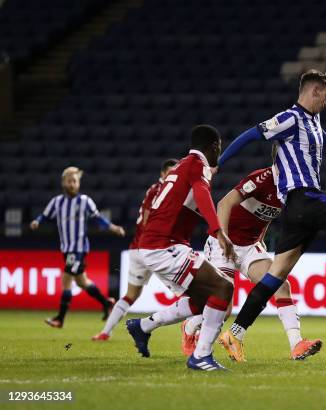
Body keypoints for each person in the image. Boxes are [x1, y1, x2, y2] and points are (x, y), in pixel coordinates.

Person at [211, 69, 326, 361]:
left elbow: (320, 133)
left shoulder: (312, 119)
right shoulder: (288, 118)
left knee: (276, 276)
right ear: (313, 91)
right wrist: (218, 163)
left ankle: (235, 333)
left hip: (294, 212)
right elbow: (252, 135)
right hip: (304, 198)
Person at [181, 153, 322, 361]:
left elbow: (266, 215)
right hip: (224, 243)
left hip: (249, 247)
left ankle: (297, 345)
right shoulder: (262, 178)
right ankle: (190, 325)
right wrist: (223, 239)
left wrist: (261, 237)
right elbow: (224, 204)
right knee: (224, 308)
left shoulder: (291, 187)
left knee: (281, 285)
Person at [125, 124, 237, 372]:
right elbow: (202, 194)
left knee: (201, 300)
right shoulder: (197, 167)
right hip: (165, 246)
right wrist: (218, 232)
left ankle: (142, 327)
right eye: (219, 148)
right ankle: (201, 356)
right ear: (214, 147)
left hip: (158, 243)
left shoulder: (183, 166)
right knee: (223, 287)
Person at [92, 158, 178, 341]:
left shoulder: (156, 190)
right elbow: (148, 220)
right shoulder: (160, 189)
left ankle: (105, 332)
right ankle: (194, 336)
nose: (173, 176)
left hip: (138, 249)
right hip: (154, 249)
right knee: (189, 293)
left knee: (131, 295)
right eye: (170, 173)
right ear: (162, 174)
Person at [30, 166, 125, 328]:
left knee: (66, 281)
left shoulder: (85, 201)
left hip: (78, 249)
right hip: (66, 249)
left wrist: (113, 227)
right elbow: (45, 215)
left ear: (78, 183)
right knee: (82, 282)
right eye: (70, 181)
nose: (72, 184)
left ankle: (60, 318)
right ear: (64, 183)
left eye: (75, 181)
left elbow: (98, 219)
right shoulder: (57, 202)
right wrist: (37, 221)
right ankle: (107, 303)